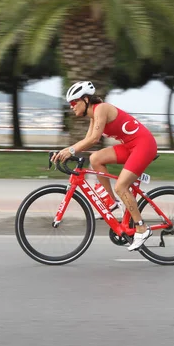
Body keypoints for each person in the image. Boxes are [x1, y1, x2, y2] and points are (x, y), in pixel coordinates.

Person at [52, 81, 158, 251]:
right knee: (96, 159)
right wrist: (64, 151)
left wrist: (70, 151)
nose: (72, 107)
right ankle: (111, 201)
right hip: (130, 146)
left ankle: (141, 228)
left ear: (85, 99)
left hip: (143, 145)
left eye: (74, 103)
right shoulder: (93, 116)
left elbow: (94, 139)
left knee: (121, 186)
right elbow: (86, 142)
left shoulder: (101, 108)